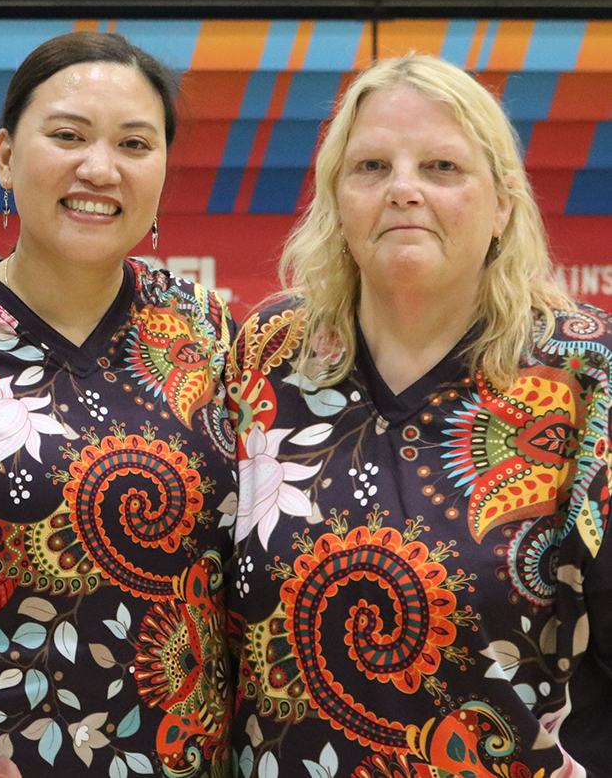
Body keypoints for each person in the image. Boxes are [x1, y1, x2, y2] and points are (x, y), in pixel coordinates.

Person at [0, 31, 237, 777]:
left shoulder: (212, 334)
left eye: (134, 143)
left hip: (179, 753)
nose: (99, 167)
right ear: (4, 156)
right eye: (67, 135)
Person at [226, 54, 611, 775]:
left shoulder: (587, 375)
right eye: (372, 166)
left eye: (441, 166)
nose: (403, 189)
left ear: (503, 204)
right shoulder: (268, 356)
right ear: (336, 201)